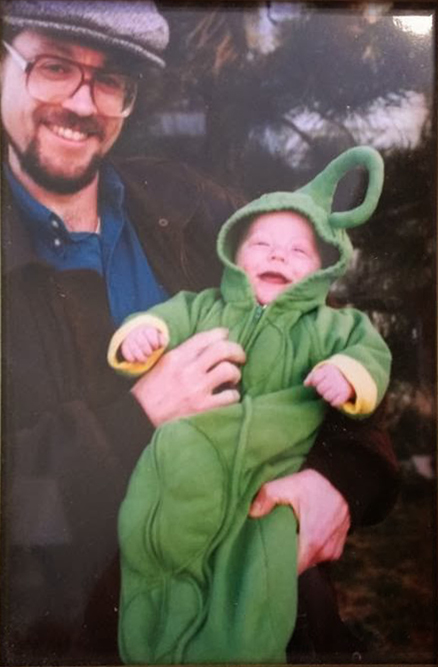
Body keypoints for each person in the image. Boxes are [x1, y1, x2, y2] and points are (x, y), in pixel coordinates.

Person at [0, 1, 399, 665]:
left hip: (273, 626)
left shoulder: (195, 215)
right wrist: (137, 416)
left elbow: (324, 348)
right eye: (54, 67)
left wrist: (339, 482)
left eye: (109, 81)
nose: (81, 103)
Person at [108, 146, 391, 663]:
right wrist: (142, 335)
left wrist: (347, 376)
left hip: (269, 486)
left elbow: (370, 352)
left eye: (298, 251)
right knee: (159, 553)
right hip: (189, 474)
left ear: (322, 270)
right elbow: (164, 319)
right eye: (261, 244)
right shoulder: (204, 307)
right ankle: (153, 645)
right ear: (233, 255)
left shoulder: (329, 326)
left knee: (255, 590)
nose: (279, 256)